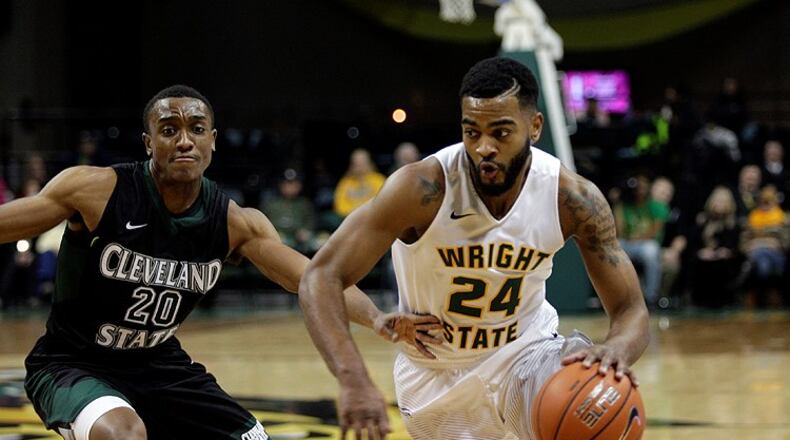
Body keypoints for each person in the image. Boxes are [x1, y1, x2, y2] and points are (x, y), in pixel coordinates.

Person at [0, 85, 439, 440]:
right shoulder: (96, 190)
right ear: (148, 142)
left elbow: (314, 278)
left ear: (212, 140)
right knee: (122, 435)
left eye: (196, 128)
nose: (184, 139)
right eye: (168, 129)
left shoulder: (234, 223)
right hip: (72, 362)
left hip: (158, 364)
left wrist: (378, 317)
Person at [299, 57, 650, 440]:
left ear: (534, 127)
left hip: (527, 358)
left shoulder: (573, 198)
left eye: (501, 133)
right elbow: (321, 276)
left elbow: (630, 309)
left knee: (591, 413)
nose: (484, 147)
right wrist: (352, 379)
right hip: (434, 374)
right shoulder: (420, 189)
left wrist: (617, 348)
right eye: (472, 132)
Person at [614, 174, 669, 306]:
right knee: (614, 249)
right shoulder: (623, 205)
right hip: (627, 243)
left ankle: (651, 297)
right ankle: (617, 297)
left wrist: (637, 238)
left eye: (643, 187)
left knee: (650, 251)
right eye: (637, 188)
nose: (640, 190)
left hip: (646, 243)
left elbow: (655, 230)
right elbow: (619, 232)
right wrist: (618, 204)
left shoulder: (656, 205)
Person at [333, 148, 386, 218]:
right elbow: (339, 206)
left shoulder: (379, 180)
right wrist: (353, 212)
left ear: (369, 163)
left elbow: (383, 202)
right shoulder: (345, 183)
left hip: (374, 218)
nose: (359, 166)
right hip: (350, 219)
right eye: (356, 163)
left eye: (362, 162)